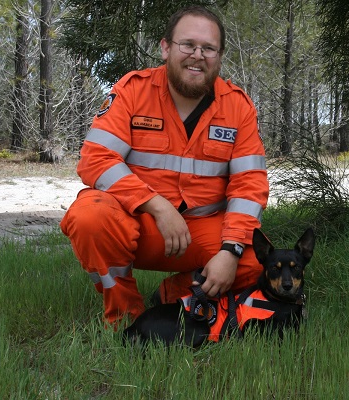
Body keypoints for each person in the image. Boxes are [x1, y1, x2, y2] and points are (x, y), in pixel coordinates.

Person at [60, 5, 269, 326]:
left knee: (258, 264)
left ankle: (171, 296)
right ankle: (125, 315)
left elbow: (249, 184)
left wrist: (231, 250)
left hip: (201, 228)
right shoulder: (133, 90)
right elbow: (96, 159)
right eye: (187, 44)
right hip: (137, 223)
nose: (197, 55)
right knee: (90, 215)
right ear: (166, 47)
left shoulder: (237, 106)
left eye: (208, 48)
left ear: (220, 55)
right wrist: (157, 206)